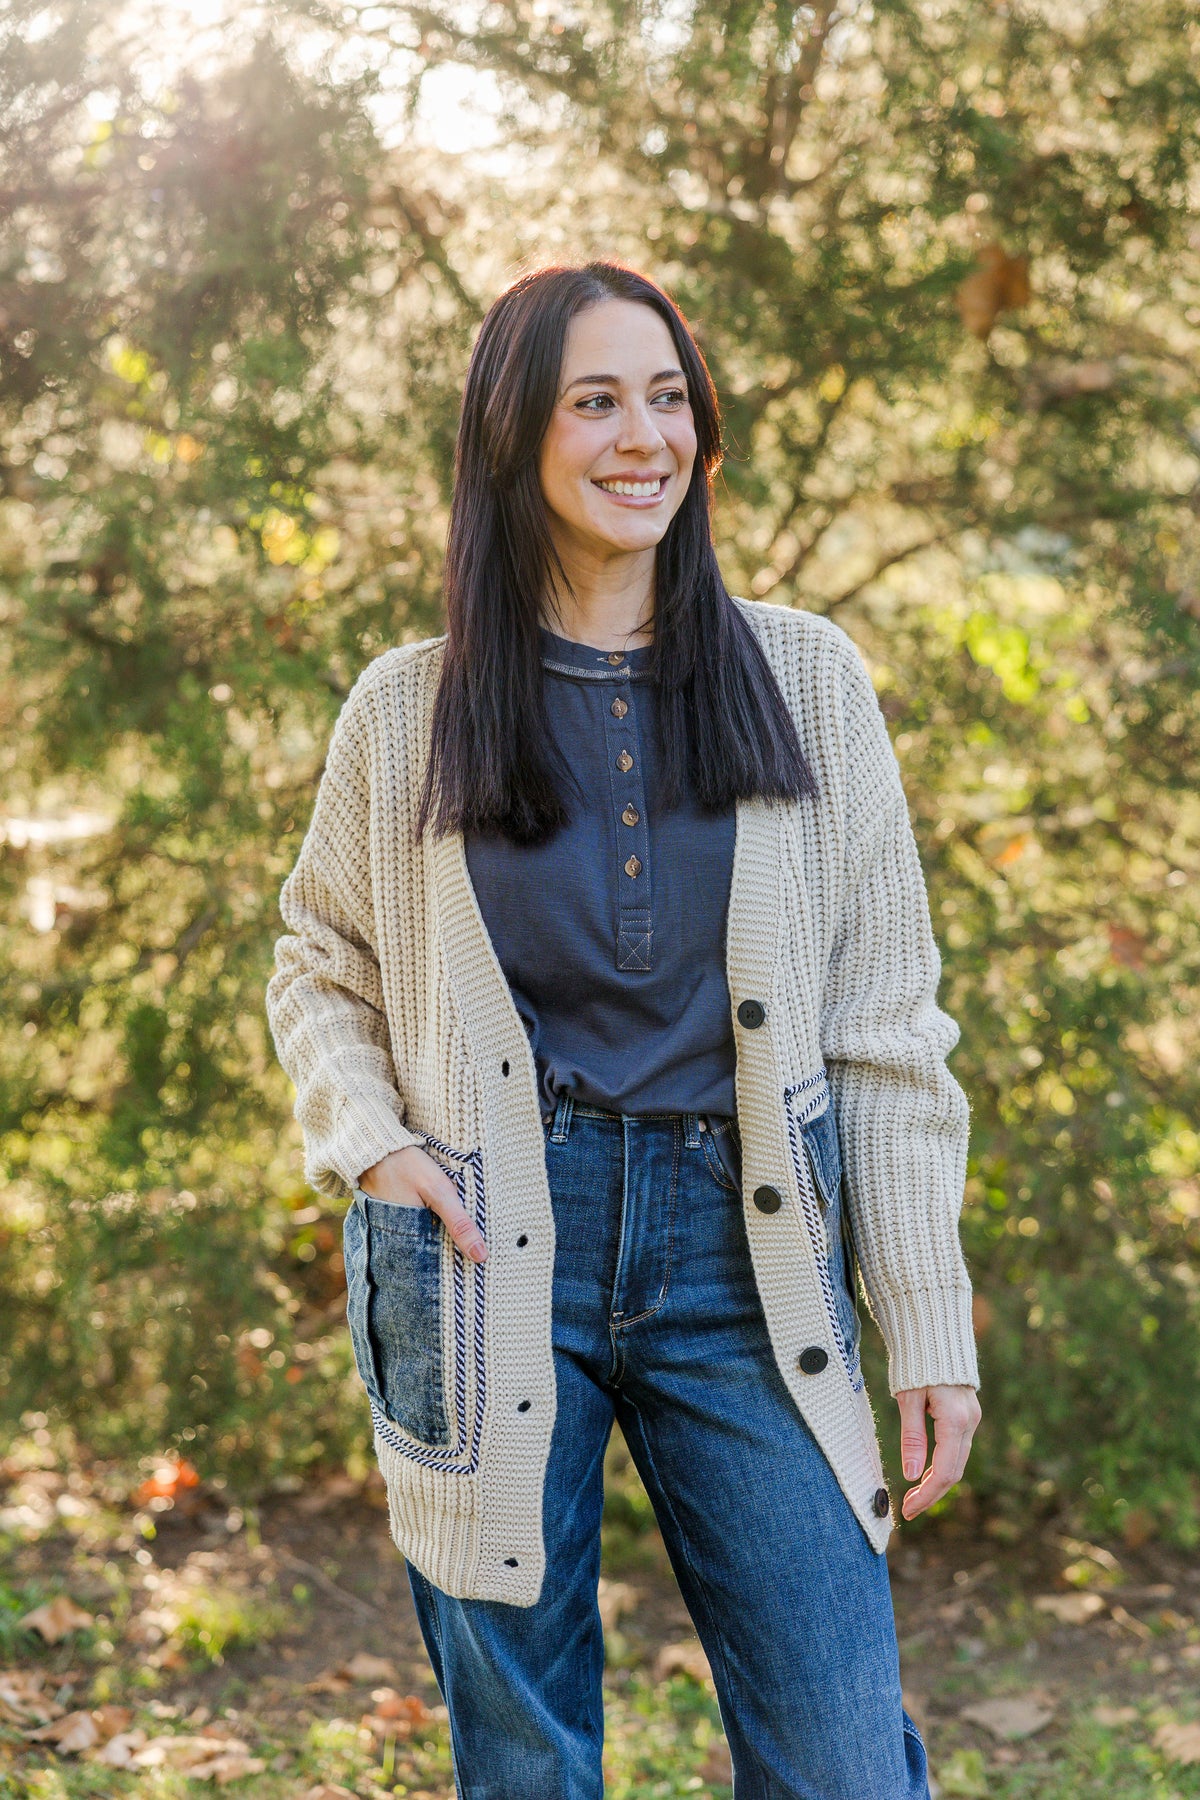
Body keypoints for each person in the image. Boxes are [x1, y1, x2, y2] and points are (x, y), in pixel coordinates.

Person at [266, 260, 982, 1800]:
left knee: (848, 1762)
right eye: (595, 400)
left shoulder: (806, 680)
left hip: (750, 1250)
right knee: (526, 1765)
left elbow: (888, 1028)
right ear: (514, 434)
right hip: (485, 1241)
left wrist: (927, 1318)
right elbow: (317, 959)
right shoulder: (412, 706)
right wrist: (375, 1144)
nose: (641, 434)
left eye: (667, 396)